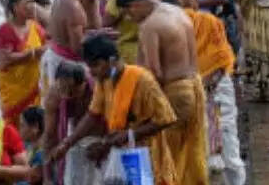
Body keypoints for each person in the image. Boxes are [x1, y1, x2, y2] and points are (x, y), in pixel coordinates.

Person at [44, 35, 178, 185]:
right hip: (119, 154)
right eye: (89, 67)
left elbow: (167, 118)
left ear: (112, 60)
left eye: (95, 65)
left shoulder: (143, 80)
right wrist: (67, 144)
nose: (92, 72)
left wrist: (130, 134)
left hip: (147, 155)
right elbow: (93, 114)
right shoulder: (104, 81)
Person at [116, 0, 209, 185]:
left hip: (174, 92)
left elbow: (153, 74)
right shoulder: (177, 11)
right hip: (194, 87)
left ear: (135, 5)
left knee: (168, 160)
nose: (130, 18)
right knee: (189, 155)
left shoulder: (150, 26)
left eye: (128, 13)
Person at [177, 0, 247, 185]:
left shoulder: (208, 23)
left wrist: (205, 84)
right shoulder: (170, 31)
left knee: (228, 145)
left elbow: (222, 60)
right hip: (191, 95)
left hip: (216, 91)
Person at [40, 61, 101, 185]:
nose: (67, 96)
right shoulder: (54, 94)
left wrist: (105, 144)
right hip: (72, 141)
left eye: (72, 91)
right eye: (63, 90)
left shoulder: (97, 89)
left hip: (98, 136)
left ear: (83, 84)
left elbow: (107, 122)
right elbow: (49, 135)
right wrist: (47, 177)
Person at [0, 0, 49, 122]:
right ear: (15, 7)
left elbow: (48, 44)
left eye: (33, 2)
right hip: (13, 88)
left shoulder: (35, 27)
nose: (32, 6)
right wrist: (33, 53)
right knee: (12, 123)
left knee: (34, 122)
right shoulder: (5, 30)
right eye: (27, 3)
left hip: (33, 87)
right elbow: (4, 60)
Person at [41, 0, 94, 96]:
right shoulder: (73, 7)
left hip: (54, 55)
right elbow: (77, 48)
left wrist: (96, 34)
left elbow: (60, 32)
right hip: (67, 67)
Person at [16, 107, 45, 185]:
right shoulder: (29, 147)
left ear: (35, 127)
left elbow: (29, 180)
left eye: (22, 125)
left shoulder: (41, 155)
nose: (19, 129)